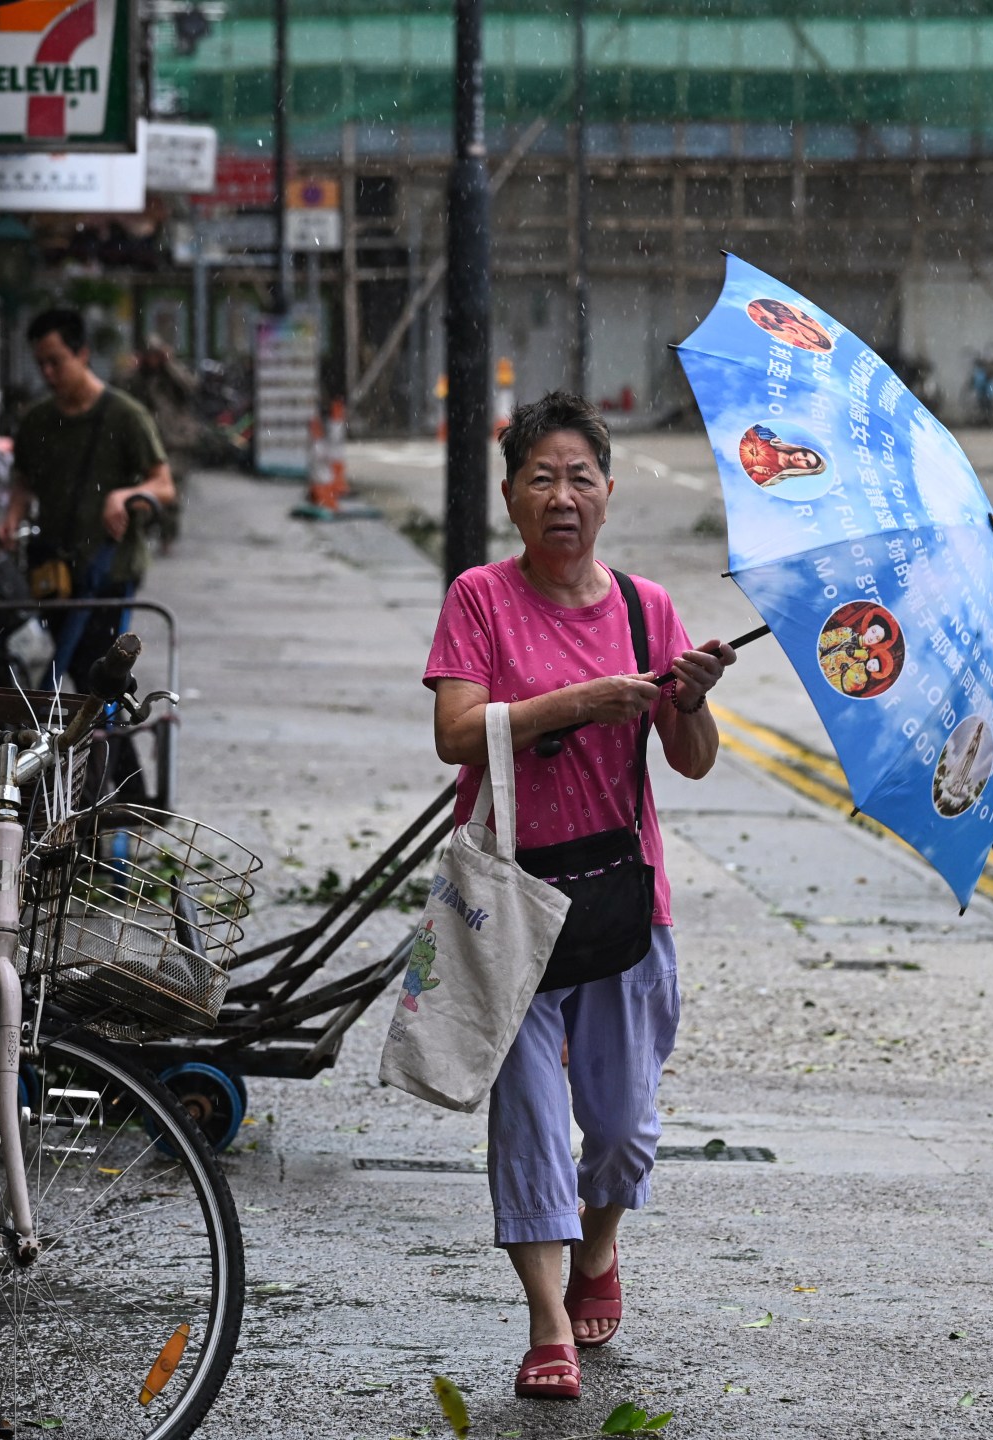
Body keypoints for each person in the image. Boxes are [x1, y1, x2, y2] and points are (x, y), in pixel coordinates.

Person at [423, 391, 737, 1402]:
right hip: (510, 900)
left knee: (625, 1127)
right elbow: (457, 733)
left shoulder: (647, 611)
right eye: (542, 479)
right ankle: (547, 1319)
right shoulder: (481, 597)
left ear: (608, 492)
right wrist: (579, 701)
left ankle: (599, 1246)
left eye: (581, 478)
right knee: (526, 1112)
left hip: (622, 900)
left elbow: (692, 760)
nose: (563, 497)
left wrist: (689, 701)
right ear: (511, 495)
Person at [0, 308, 177, 688]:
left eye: (56, 362)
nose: (48, 373)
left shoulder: (125, 416)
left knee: (96, 675)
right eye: (41, 364)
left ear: (82, 354)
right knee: (56, 673)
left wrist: (126, 496)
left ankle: (108, 728)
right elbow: (23, 480)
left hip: (109, 570)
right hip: (53, 571)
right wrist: (12, 516)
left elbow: (163, 485)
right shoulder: (36, 420)